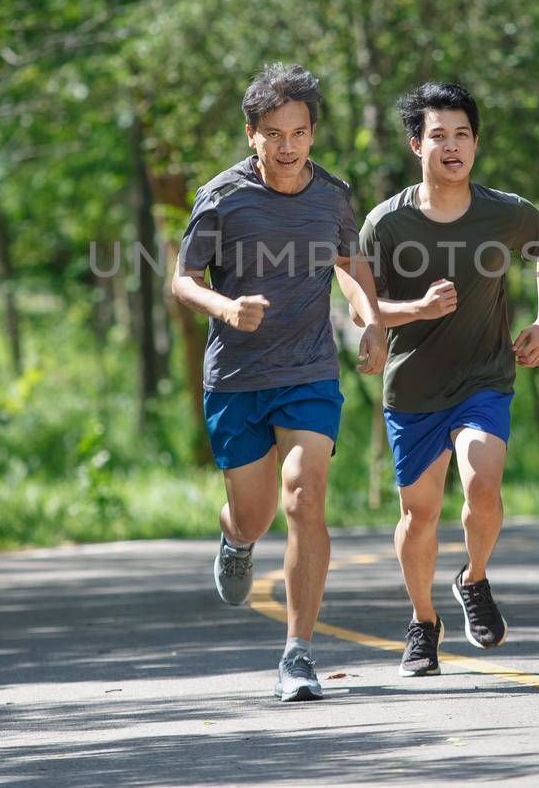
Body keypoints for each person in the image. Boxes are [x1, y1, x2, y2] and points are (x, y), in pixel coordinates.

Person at [171, 62, 386, 702]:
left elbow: (349, 265)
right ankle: (235, 538)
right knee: (256, 513)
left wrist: (370, 319)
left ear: (313, 133)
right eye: (274, 134)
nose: (287, 146)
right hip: (236, 376)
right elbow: (183, 280)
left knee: (305, 493)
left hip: (308, 369)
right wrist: (225, 308)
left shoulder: (333, 196)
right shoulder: (221, 198)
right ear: (251, 136)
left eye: (298, 132)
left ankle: (298, 653)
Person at [355, 82, 539, 677]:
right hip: (414, 387)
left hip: (484, 377)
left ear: (475, 144)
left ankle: (473, 579)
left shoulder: (507, 212)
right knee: (418, 516)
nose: (453, 147)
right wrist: (415, 309)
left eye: (463, 135)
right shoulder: (385, 225)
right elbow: (360, 309)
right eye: (439, 136)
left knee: (483, 482)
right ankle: (423, 623)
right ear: (416, 144)